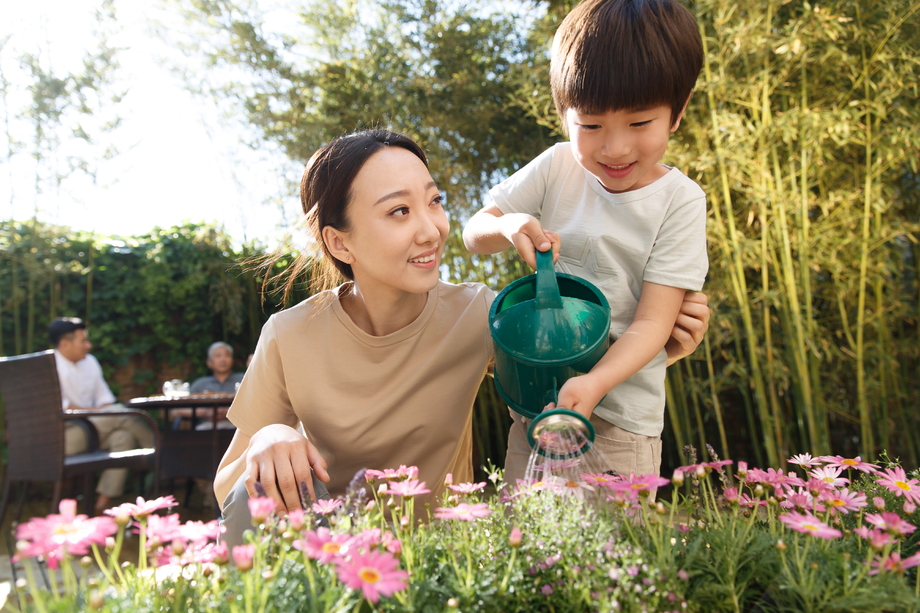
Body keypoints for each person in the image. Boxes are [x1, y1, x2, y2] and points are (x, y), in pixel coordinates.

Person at [216, 130, 709, 549]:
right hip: (325, 555)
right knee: (253, 490)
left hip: (443, 565)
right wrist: (270, 435)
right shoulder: (289, 334)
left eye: (434, 202)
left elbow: (565, 387)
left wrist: (662, 348)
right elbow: (229, 491)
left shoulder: (477, 314)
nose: (431, 229)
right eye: (398, 212)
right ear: (339, 241)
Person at [462, 0, 708, 483]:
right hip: (538, 401)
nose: (615, 147)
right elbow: (473, 234)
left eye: (640, 124)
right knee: (525, 542)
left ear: (677, 113)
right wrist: (508, 224)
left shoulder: (680, 201)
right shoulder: (556, 167)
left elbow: (653, 324)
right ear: (564, 116)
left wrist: (594, 382)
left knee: (614, 555)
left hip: (622, 418)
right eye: (591, 126)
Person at [51, 317, 156, 515]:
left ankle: (102, 506)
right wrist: (103, 413)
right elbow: (64, 409)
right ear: (64, 343)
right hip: (64, 436)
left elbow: (105, 400)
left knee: (123, 437)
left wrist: (103, 413)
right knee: (118, 412)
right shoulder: (50, 366)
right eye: (83, 341)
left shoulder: (90, 362)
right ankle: (162, 452)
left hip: (92, 430)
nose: (88, 346)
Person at [177, 341, 244, 430]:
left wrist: (228, 412)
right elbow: (176, 410)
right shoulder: (200, 384)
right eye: (218, 356)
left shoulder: (243, 380)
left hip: (237, 428)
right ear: (209, 363)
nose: (223, 359)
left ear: (232, 360)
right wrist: (205, 412)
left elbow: (256, 405)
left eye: (226, 355)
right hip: (205, 429)